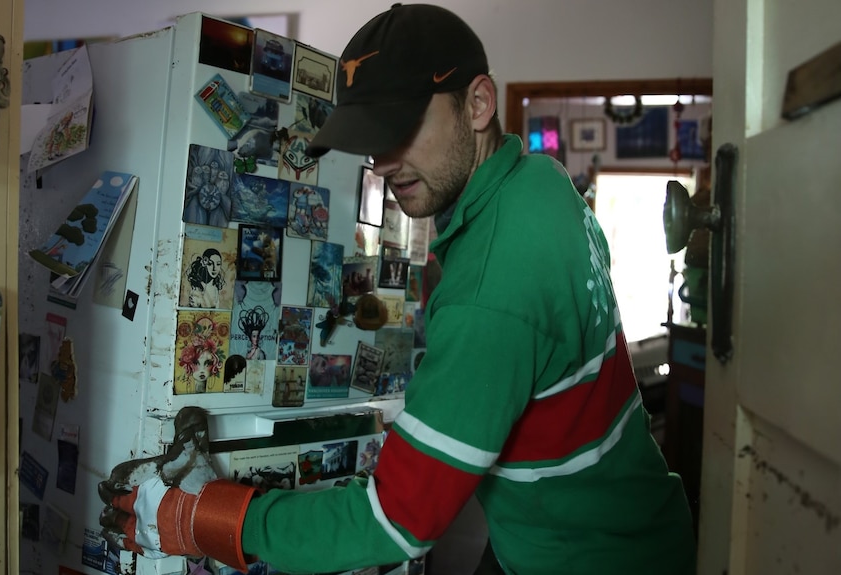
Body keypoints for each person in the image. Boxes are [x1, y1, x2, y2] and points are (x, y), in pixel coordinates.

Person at [99, 4, 697, 574]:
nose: (383, 163)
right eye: (372, 136)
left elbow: (393, 524)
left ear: (479, 103)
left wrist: (203, 517)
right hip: (606, 522)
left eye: (403, 128)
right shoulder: (537, 181)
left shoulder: (492, 288)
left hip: (586, 558)